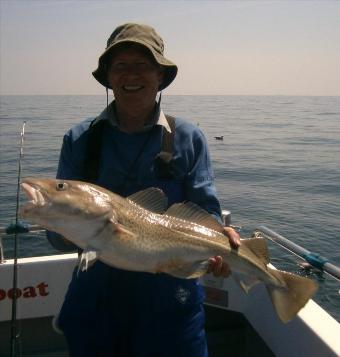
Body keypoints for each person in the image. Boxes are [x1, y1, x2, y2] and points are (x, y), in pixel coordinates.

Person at [48, 23, 240, 357]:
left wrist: (218, 245)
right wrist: (64, 226)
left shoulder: (188, 137)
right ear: (108, 76)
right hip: (96, 297)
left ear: (160, 76)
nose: (131, 75)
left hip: (171, 298)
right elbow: (56, 232)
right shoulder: (79, 139)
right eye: (120, 66)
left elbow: (205, 210)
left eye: (143, 65)